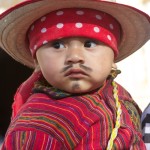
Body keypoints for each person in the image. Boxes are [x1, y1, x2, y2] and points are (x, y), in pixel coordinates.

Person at [0, 0, 150, 149]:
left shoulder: (119, 94)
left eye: (89, 44)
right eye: (57, 45)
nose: (75, 56)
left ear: (113, 57)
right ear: (37, 61)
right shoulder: (38, 125)